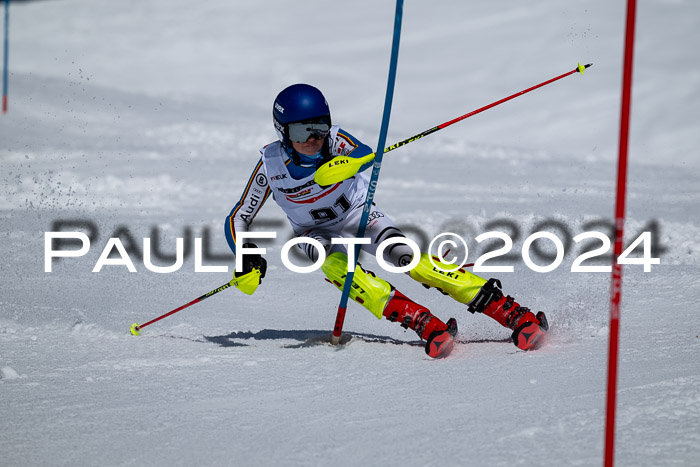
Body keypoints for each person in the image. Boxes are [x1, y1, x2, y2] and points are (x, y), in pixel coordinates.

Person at [225, 83, 549, 358]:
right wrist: (245, 254)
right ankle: (420, 321)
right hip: (314, 232)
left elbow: (363, 151)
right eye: (301, 130)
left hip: (358, 214)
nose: (313, 138)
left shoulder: (335, 141)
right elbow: (239, 216)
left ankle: (510, 312)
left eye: (319, 128)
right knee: (339, 269)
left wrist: (347, 164)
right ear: (283, 132)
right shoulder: (270, 165)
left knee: (408, 259)